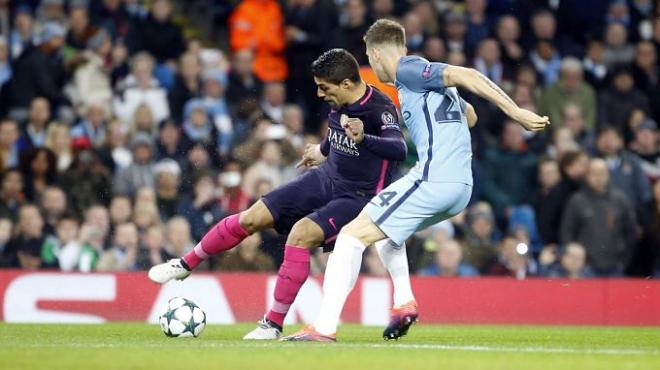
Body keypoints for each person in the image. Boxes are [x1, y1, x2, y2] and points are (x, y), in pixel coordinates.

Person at [282, 19, 548, 342]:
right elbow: (471, 115)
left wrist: (516, 112)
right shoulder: (425, 82)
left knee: (351, 237)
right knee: (387, 235)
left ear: (376, 53)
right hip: (460, 187)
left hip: (435, 178)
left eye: (368, 56)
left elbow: (469, 74)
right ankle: (404, 303)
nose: (371, 64)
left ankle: (323, 328)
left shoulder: (408, 70)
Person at [148, 48, 409, 340]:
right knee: (252, 217)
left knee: (299, 234)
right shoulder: (340, 100)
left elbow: (399, 148)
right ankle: (185, 265)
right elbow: (339, 134)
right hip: (325, 178)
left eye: (325, 88)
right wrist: (322, 151)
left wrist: (365, 138)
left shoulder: (380, 108)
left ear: (347, 84)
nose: (320, 95)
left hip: (357, 197)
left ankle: (272, 324)